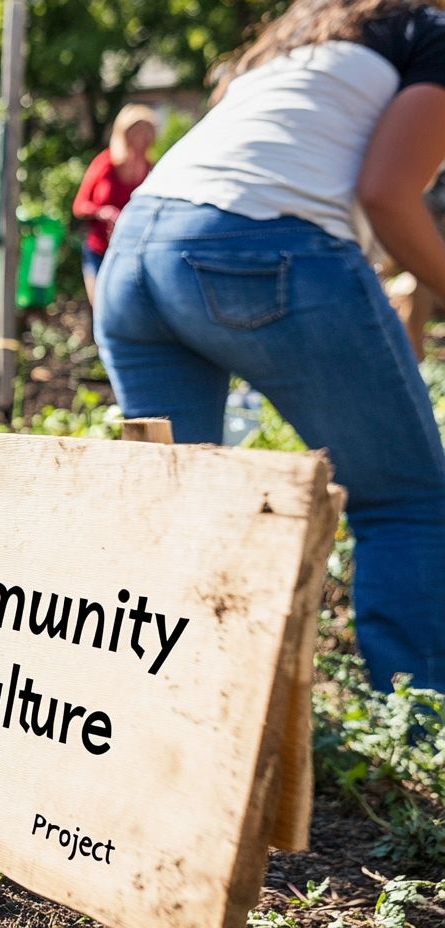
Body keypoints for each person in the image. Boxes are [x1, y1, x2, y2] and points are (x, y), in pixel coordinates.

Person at [94, 0, 445, 693]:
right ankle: (421, 729)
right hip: (260, 247)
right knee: (406, 499)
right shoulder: (433, 37)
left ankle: (152, 709)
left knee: (179, 505)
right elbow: (387, 193)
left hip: (136, 255)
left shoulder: (299, 39)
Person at [72, 104, 157, 306]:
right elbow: (79, 205)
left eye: (146, 132)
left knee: (126, 307)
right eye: (136, 131)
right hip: (99, 249)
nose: (141, 138)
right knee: (100, 305)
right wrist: (102, 212)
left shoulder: (151, 169)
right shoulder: (105, 163)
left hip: (131, 252)